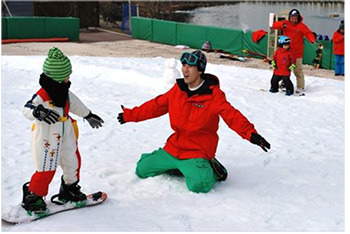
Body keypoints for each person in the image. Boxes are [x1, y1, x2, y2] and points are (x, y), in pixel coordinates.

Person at [117, 50, 270, 193]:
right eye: (184, 65)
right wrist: (129, 115)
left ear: (200, 70)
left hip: (197, 150)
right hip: (174, 147)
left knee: (199, 185)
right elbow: (155, 106)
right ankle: (178, 166)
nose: (185, 70)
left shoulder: (214, 95)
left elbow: (232, 116)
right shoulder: (178, 90)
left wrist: (251, 134)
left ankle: (213, 168)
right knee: (142, 169)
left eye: (190, 66)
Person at [22, 47, 104, 213]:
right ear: (58, 77)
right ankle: (34, 196)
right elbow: (27, 108)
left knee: (72, 161)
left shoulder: (64, 92)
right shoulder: (43, 94)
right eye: (67, 75)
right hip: (47, 136)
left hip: (66, 132)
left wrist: (88, 115)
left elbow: (75, 104)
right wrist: (38, 111)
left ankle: (69, 189)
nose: (69, 78)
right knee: (46, 166)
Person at [273, 8, 316, 94]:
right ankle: (284, 84)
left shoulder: (302, 26)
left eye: (295, 17)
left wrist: (312, 39)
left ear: (298, 18)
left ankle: (300, 87)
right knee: (283, 70)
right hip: (285, 53)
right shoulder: (285, 23)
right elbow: (275, 25)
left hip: (297, 54)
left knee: (298, 71)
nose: (293, 19)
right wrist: (282, 25)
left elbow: (308, 33)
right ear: (289, 17)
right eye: (292, 17)